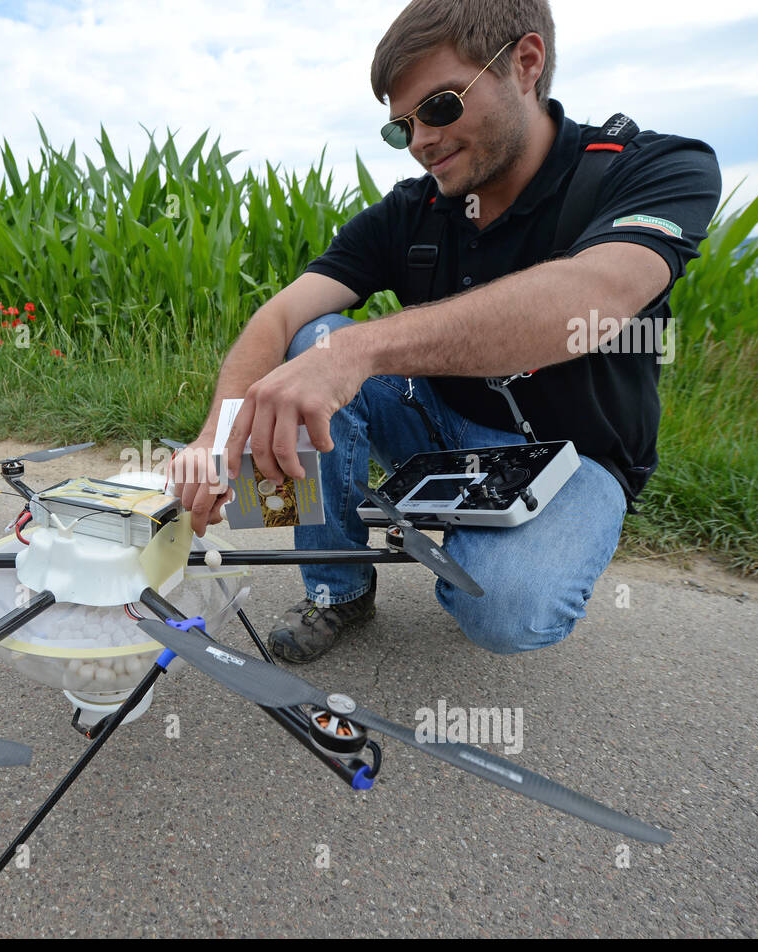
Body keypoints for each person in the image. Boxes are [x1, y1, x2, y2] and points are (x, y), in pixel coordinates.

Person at [170, 0, 721, 662]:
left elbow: (592, 299)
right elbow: (281, 314)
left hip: (577, 452)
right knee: (309, 341)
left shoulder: (648, 167)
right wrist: (214, 437)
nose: (423, 140)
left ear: (525, 62)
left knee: (507, 609)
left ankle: (491, 546)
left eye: (438, 108)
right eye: (401, 128)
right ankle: (336, 587)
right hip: (435, 422)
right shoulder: (410, 212)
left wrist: (360, 348)